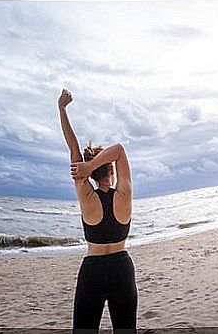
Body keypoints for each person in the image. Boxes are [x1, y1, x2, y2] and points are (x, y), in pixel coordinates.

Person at [58, 88, 138, 334]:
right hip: (121, 269)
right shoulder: (124, 194)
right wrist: (93, 164)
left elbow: (73, 147)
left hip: (92, 271)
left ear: (90, 176)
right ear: (111, 171)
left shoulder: (87, 195)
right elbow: (119, 150)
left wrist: (61, 108)